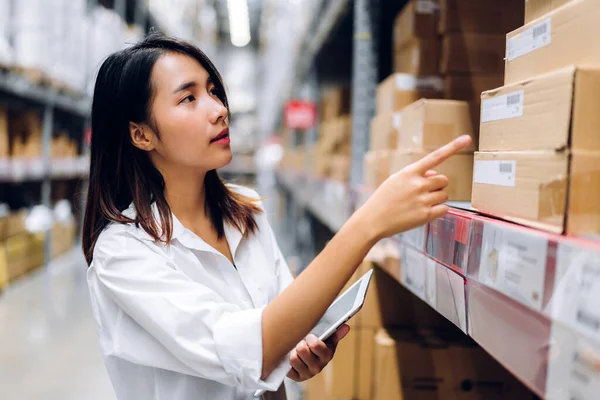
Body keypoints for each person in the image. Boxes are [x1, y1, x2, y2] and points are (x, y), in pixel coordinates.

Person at [82, 33, 471, 400]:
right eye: (188, 99)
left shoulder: (245, 212)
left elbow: (282, 330)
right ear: (141, 135)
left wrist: (299, 351)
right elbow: (251, 348)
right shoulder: (123, 253)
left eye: (214, 91)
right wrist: (369, 223)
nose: (219, 111)